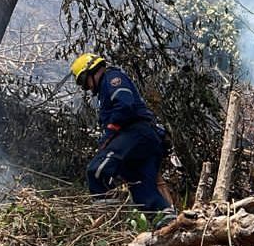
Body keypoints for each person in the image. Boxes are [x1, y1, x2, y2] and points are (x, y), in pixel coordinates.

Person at [70, 53, 175, 225]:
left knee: (96, 170)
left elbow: (125, 106)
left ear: (92, 70)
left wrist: (109, 135)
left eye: (84, 81)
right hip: (146, 143)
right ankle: (168, 225)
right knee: (142, 191)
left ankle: (110, 220)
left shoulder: (112, 78)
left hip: (136, 133)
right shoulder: (106, 88)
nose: (87, 88)